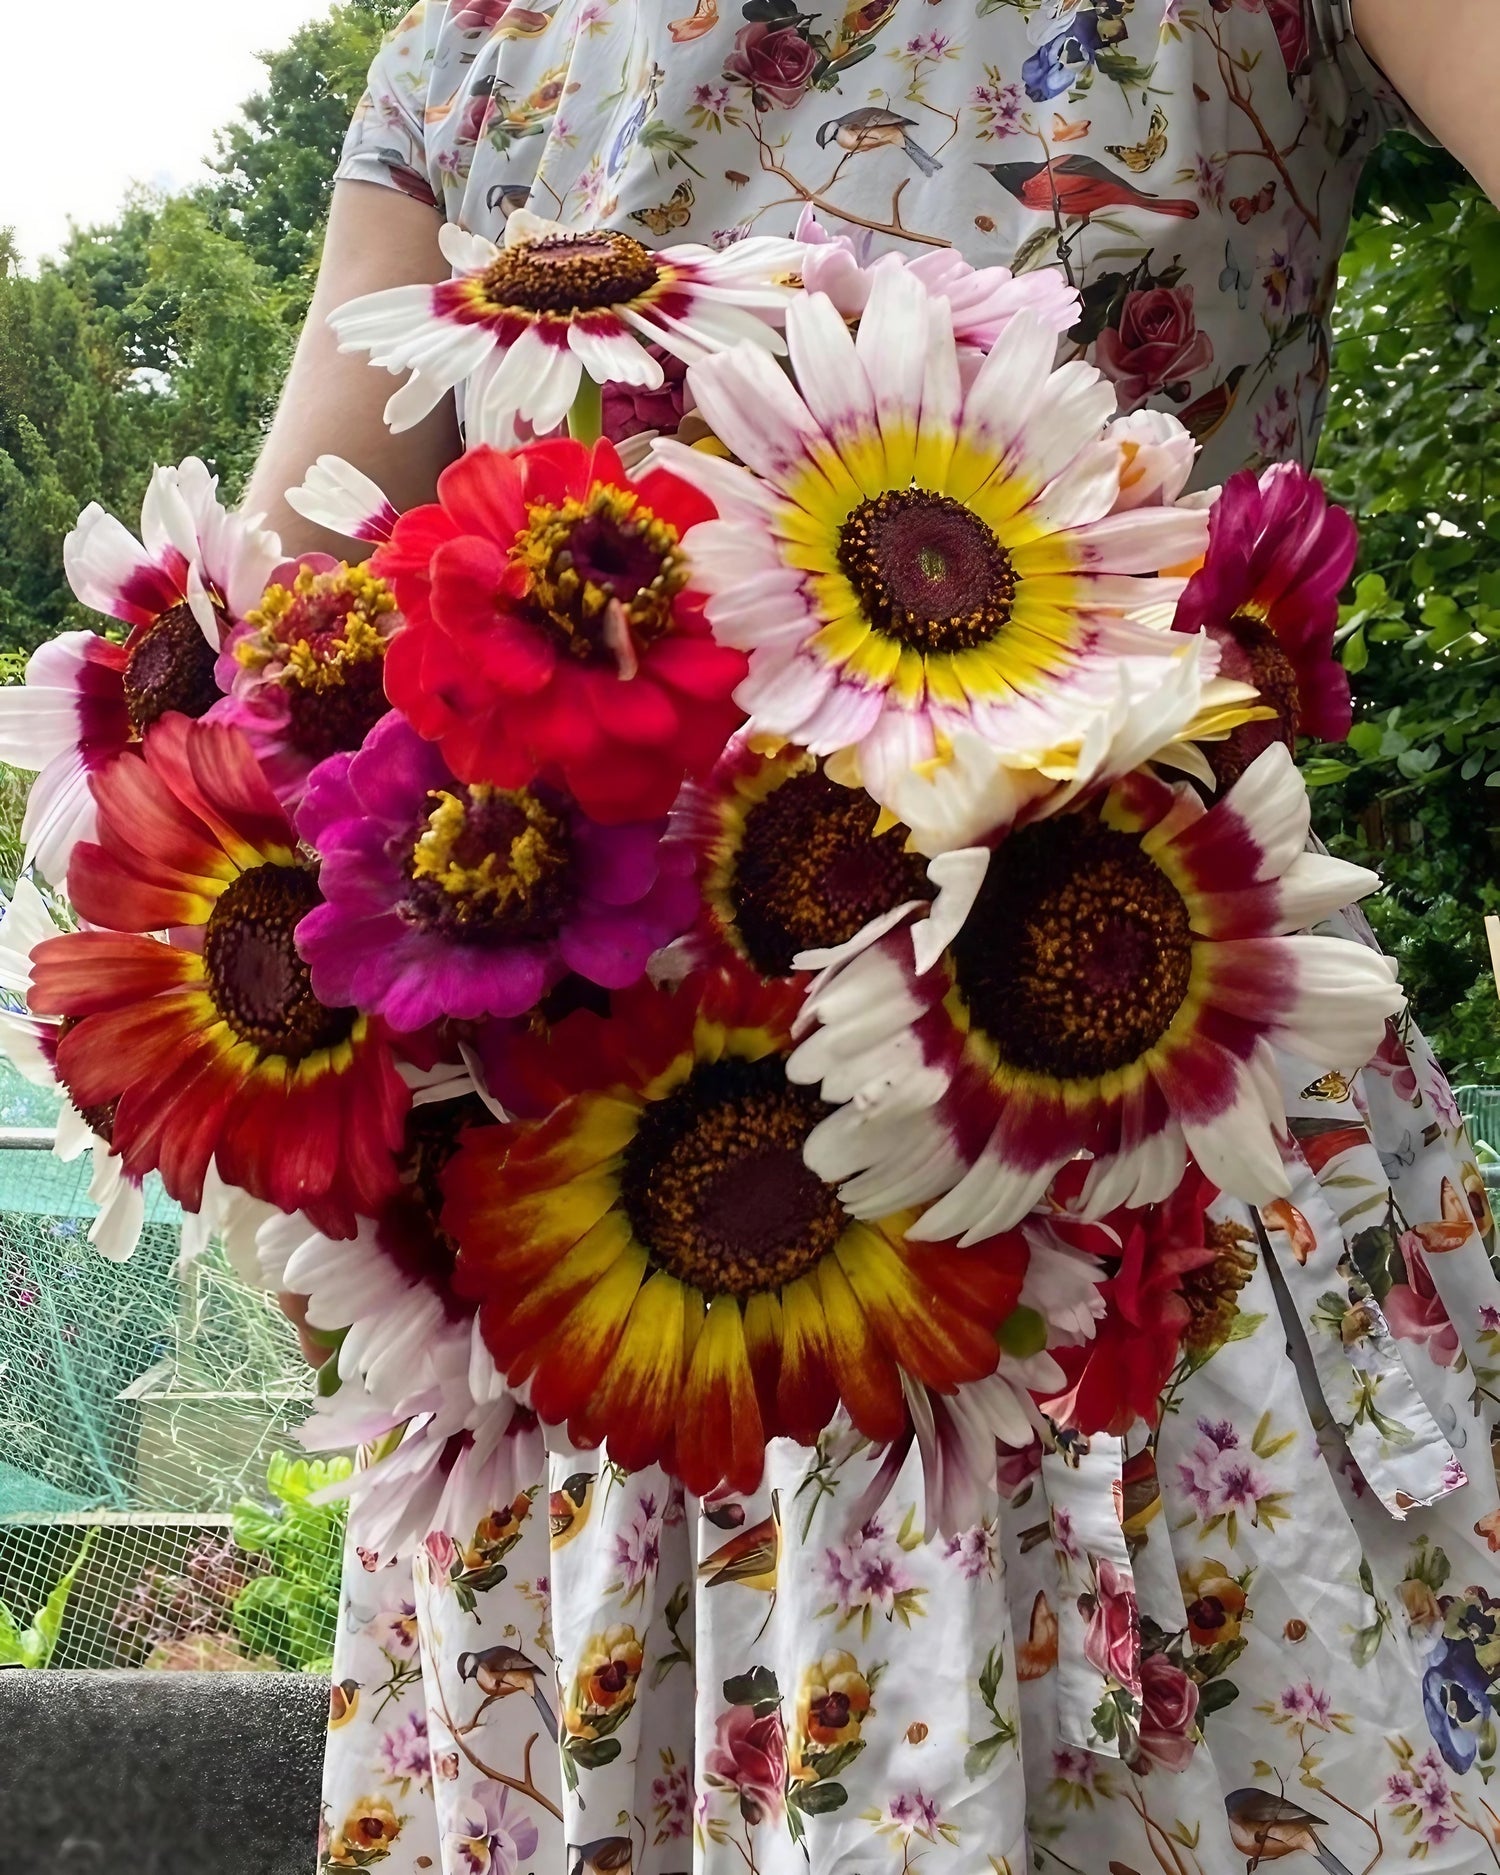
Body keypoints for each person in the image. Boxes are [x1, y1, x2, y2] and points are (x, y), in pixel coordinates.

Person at [250, 4, 1500, 1871]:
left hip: (1134, 1135)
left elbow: (292, 580)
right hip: (610, 1235)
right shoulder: (468, 29)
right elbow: (301, 607)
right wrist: (296, 1115)